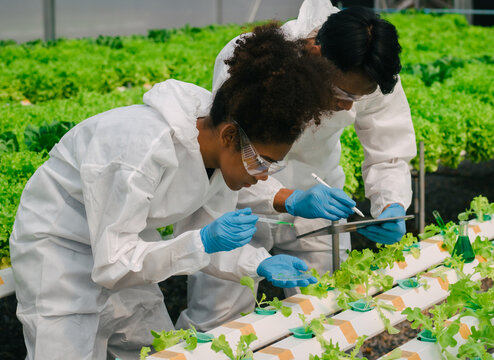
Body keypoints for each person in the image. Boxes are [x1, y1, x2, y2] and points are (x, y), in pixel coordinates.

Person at [10, 24, 337, 360]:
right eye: (261, 162)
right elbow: (115, 265)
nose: (263, 175)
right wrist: (203, 241)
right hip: (61, 251)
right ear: (228, 136)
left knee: (158, 349)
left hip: (127, 246)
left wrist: (258, 263)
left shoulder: (219, 160)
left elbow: (202, 240)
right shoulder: (141, 149)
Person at [176, 0, 416, 332]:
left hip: (318, 207)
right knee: (219, 322)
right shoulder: (252, 60)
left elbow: (388, 147)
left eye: (356, 98)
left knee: (328, 313)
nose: (347, 104)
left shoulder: (371, 69)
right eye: (341, 92)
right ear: (316, 53)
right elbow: (231, 152)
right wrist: (284, 196)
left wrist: (391, 202)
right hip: (238, 204)